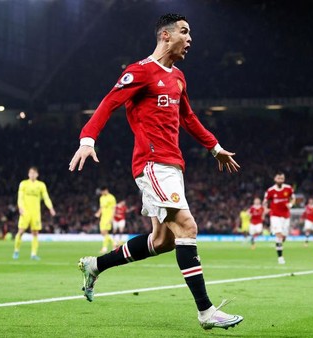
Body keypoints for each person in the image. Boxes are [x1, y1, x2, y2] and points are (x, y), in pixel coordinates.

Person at [68, 14, 243, 330]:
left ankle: (95, 266)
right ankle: (206, 311)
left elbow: (188, 118)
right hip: (151, 164)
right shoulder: (140, 72)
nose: (190, 39)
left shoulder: (178, 77)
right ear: (165, 35)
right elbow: (109, 102)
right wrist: (87, 138)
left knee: (162, 241)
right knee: (187, 228)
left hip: (173, 165)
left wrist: (215, 148)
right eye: (184, 32)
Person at [13, 167, 56, 260]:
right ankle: (16, 251)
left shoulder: (41, 185)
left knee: (35, 233)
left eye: (34, 173)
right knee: (20, 231)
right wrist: (20, 207)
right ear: (28, 174)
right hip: (25, 212)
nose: (32, 175)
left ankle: (33, 254)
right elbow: (20, 197)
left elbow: (46, 197)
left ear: (37, 174)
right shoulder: (23, 184)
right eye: (30, 173)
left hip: (36, 212)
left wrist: (51, 208)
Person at [263, 172, 295, 264]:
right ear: (275, 179)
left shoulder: (288, 188)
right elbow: (265, 201)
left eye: (282, 178)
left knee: (283, 236)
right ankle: (280, 257)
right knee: (279, 235)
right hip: (275, 216)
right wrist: (266, 209)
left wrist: (291, 204)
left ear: (284, 180)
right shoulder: (270, 190)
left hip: (285, 216)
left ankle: (279, 244)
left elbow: (293, 198)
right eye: (278, 178)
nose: (280, 180)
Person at [95, 187, 117, 253]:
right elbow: (102, 207)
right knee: (103, 233)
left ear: (106, 190)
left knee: (105, 232)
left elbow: (114, 209)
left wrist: (112, 218)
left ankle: (104, 248)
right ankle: (114, 243)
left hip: (108, 217)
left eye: (102, 191)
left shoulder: (112, 197)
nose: (101, 193)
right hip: (103, 217)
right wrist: (98, 213)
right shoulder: (101, 198)